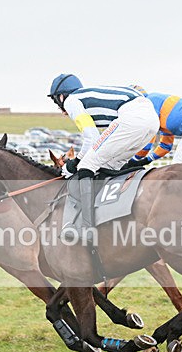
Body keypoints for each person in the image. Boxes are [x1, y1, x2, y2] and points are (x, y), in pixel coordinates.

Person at [47, 74, 159, 241]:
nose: (60, 109)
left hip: (133, 118)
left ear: (61, 96)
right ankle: (111, 217)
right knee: (108, 166)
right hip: (151, 121)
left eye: (57, 102)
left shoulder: (71, 100)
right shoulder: (89, 98)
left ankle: (87, 227)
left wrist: (74, 164)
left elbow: (91, 138)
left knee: (86, 166)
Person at [125, 87, 182, 166]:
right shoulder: (164, 116)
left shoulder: (148, 102)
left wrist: (134, 160)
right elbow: (165, 146)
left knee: (178, 167)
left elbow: (147, 142)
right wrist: (147, 160)